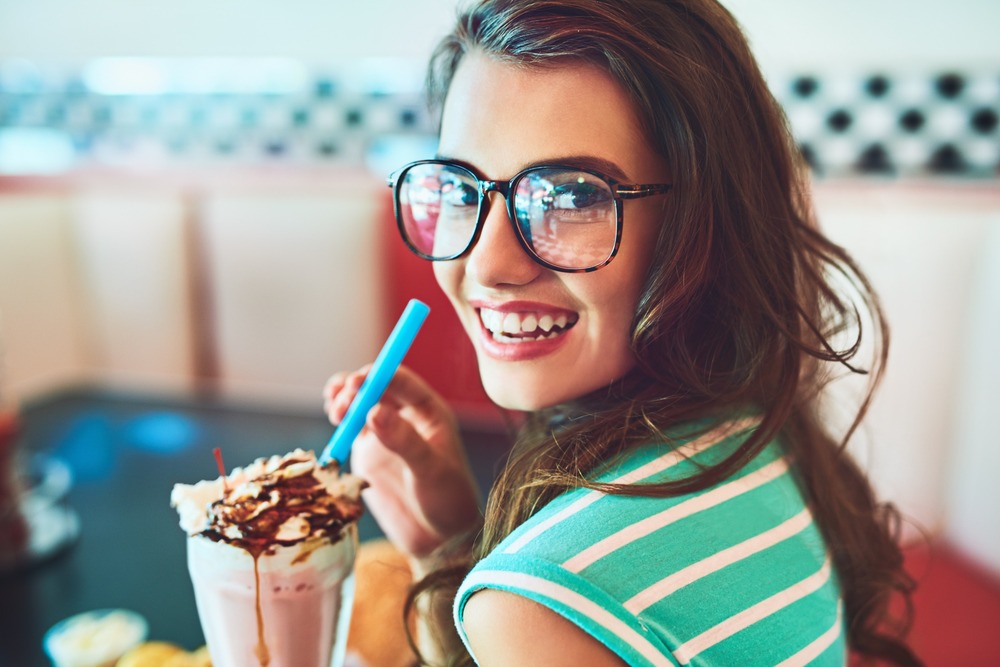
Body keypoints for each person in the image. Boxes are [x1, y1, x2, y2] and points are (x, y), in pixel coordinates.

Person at [324, 0, 919, 664]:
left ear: (703, 224)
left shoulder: (537, 604)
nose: (487, 265)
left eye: (572, 195)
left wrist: (485, 582)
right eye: (462, 189)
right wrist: (451, 544)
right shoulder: (755, 431)